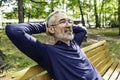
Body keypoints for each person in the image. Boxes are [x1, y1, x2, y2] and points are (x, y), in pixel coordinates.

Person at [5, 10, 104, 80]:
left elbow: (83, 30)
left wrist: (66, 25)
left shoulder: (74, 43)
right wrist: (45, 26)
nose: (69, 25)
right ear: (51, 29)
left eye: (69, 21)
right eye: (62, 22)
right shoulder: (48, 52)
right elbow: (13, 30)